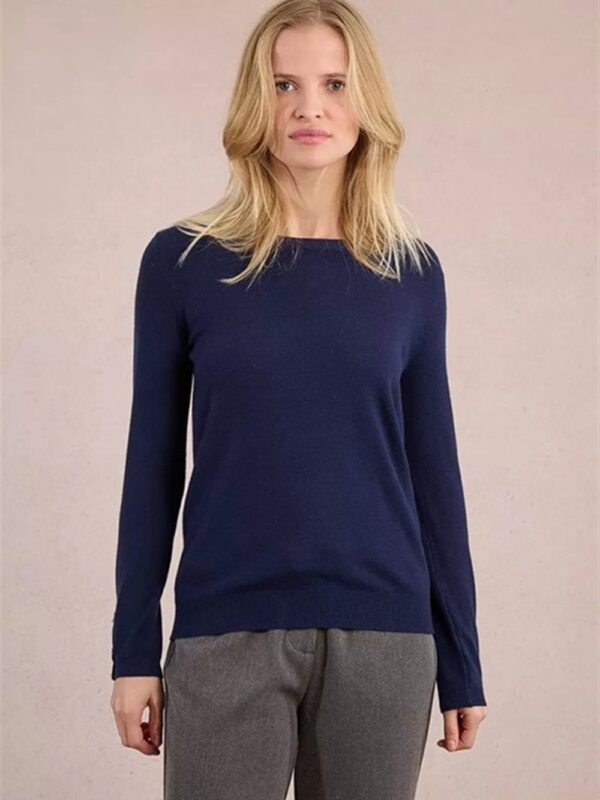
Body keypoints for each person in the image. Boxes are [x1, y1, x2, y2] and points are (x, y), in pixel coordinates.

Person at [110, 1, 488, 798]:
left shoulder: (410, 273)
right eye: (283, 84)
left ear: (365, 101)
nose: (308, 107)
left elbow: (435, 473)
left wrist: (463, 660)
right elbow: (151, 465)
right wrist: (133, 651)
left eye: (333, 84)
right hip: (225, 630)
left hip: (385, 639)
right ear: (256, 101)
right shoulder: (183, 263)